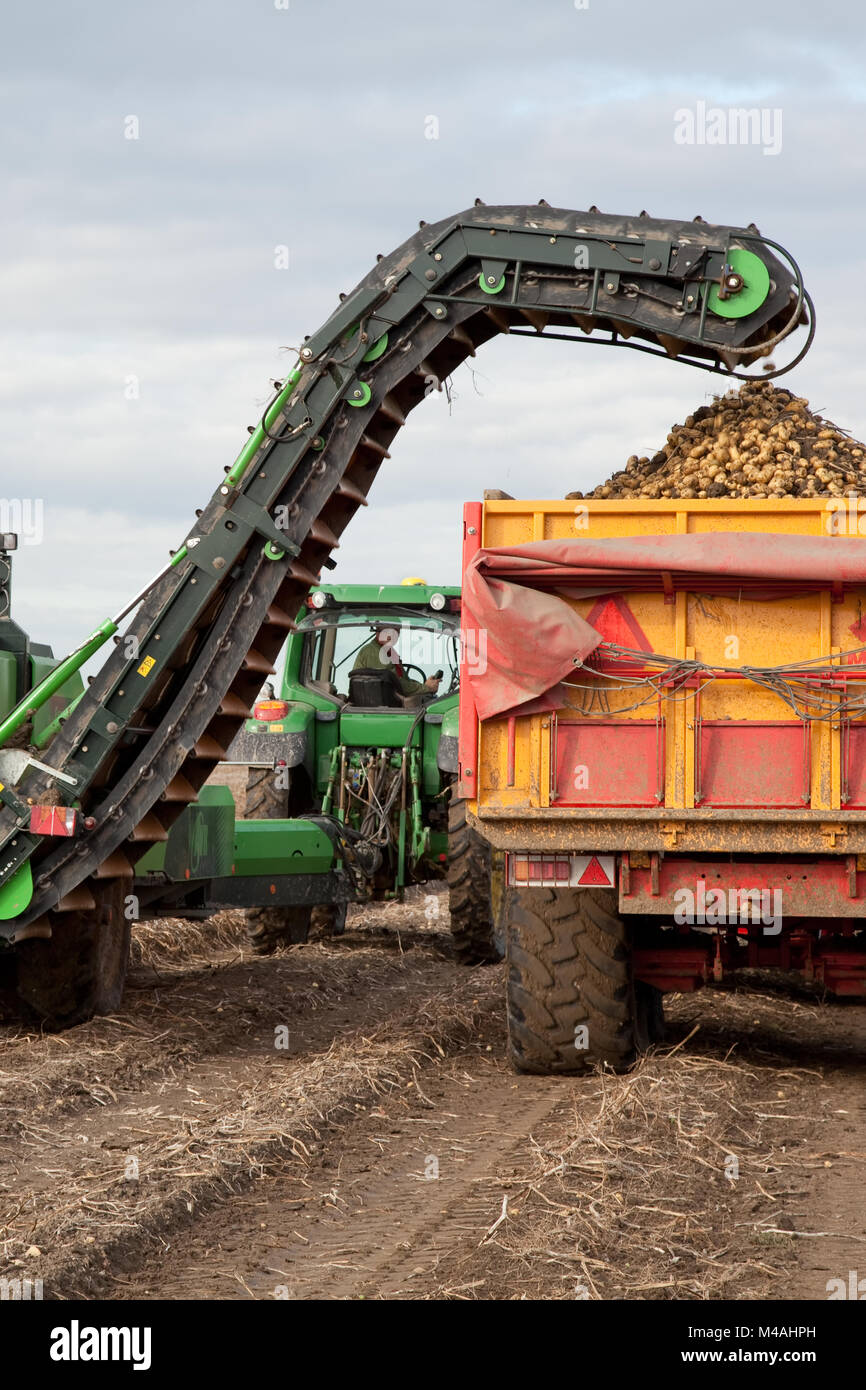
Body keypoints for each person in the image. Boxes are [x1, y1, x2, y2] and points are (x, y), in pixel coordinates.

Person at [352, 624, 440, 697]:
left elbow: (404, 680)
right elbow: (396, 683)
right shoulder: (373, 652)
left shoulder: (390, 652)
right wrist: (427, 688)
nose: (393, 635)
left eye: (396, 631)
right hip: (378, 704)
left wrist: (425, 686)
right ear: (378, 632)